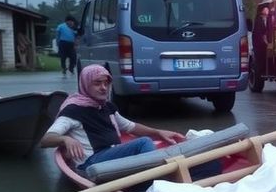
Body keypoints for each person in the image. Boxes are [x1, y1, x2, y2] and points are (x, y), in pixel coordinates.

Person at [40, 64, 186, 171]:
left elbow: (130, 127)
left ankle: (158, 175)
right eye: (97, 83)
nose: (104, 88)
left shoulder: (106, 106)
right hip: (92, 162)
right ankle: (160, 176)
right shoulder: (73, 110)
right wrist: (65, 139)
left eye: (106, 83)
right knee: (143, 143)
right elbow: (46, 139)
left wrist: (158, 132)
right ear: (85, 84)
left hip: (111, 155)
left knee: (150, 144)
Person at [252, 4, 271, 77]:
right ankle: (259, 74)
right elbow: (258, 33)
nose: (267, 10)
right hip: (259, 44)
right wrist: (264, 42)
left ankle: (263, 71)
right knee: (259, 59)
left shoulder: (267, 19)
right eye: (266, 9)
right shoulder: (259, 20)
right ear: (262, 11)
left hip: (264, 43)